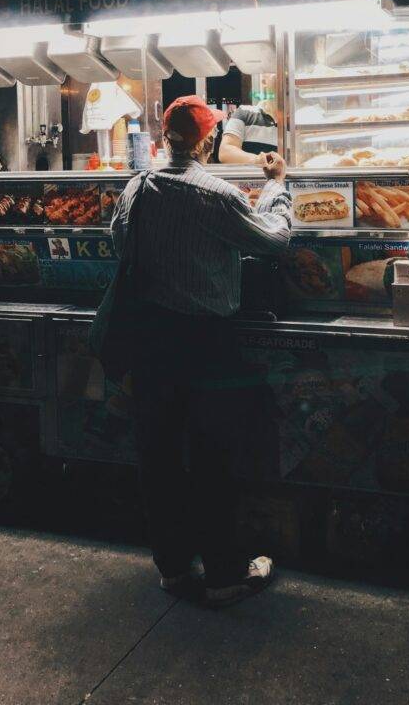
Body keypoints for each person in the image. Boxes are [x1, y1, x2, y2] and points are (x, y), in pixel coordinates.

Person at [111, 94, 292, 607]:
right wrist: (277, 186)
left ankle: (172, 568)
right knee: (214, 459)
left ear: (165, 137)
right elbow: (273, 240)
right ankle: (225, 575)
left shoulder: (136, 188)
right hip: (206, 344)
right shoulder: (216, 193)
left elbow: (118, 241)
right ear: (208, 139)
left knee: (160, 458)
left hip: (151, 341)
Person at [218, 74, 278, 165]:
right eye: (274, 71)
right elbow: (225, 152)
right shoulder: (244, 112)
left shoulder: (298, 121)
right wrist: (259, 160)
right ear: (264, 81)